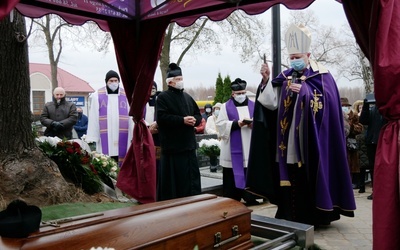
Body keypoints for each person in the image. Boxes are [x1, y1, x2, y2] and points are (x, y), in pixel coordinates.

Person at [253, 24, 356, 225]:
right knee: (291, 176)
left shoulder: (323, 76)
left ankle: (316, 215)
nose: (294, 61)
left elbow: (328, 105)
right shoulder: (284, 77)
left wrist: (305, 93)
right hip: (288, 139)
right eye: (291, 58)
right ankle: (289, 214)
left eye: (297, 57)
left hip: (313, 139)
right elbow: (270, 104)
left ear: (308, 54)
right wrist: (265, 81)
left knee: (309, 174)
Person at [156, 63, 202, 201]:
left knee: (191, 181)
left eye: (182, 78)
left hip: (188, 147)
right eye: (178, 79)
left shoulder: (187, 97)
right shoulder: (163, 97)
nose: (180, 81)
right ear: (170, 82)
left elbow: (197, 115)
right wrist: (182, 120)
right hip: (173, 149)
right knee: (175, 184)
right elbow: (162, 118)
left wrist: (195, 120)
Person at [216, 78, 259, 205]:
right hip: (232, 149)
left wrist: (253, 124)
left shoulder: (254, 105)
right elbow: (220, 124)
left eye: (243, 93)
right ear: (233, 94)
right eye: (238, 93)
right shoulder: (225, 107)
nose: (241, 95)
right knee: (232, 173)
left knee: (249, 171)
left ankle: (250, 197)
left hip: (249, 144)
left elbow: (261, 122)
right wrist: (236, 124)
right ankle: (232, 197)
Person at [86, 70, 133, 165]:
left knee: (122, 156)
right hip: (105, 134)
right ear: (106, 82)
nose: (113, 83)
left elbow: (131, 116)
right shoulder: (97, 95)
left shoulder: (126, 95)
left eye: (116, 80)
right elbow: (94, 116)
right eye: (111, 81)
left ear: (119, 81)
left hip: (123, 133)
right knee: (105, 159)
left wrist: (133, 133)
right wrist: (93, 136)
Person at [359, 96, 387, 200]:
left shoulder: (387, 108)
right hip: (372, 142)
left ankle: (385, 190)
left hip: (384, 141)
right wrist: (365, 106)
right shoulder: (372, 108)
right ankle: (375, 191)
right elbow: (363, 120)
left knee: (384, 168)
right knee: (373, 168)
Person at [342, 98, 363, 189]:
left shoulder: (353, 114)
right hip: (340, 143)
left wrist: (350, 125)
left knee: (351, 164)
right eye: (343, 106)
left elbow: (359, 128)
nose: (344, 108)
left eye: (346, 106)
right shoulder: (334, 114)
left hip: (350, 144)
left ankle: (351, 182)